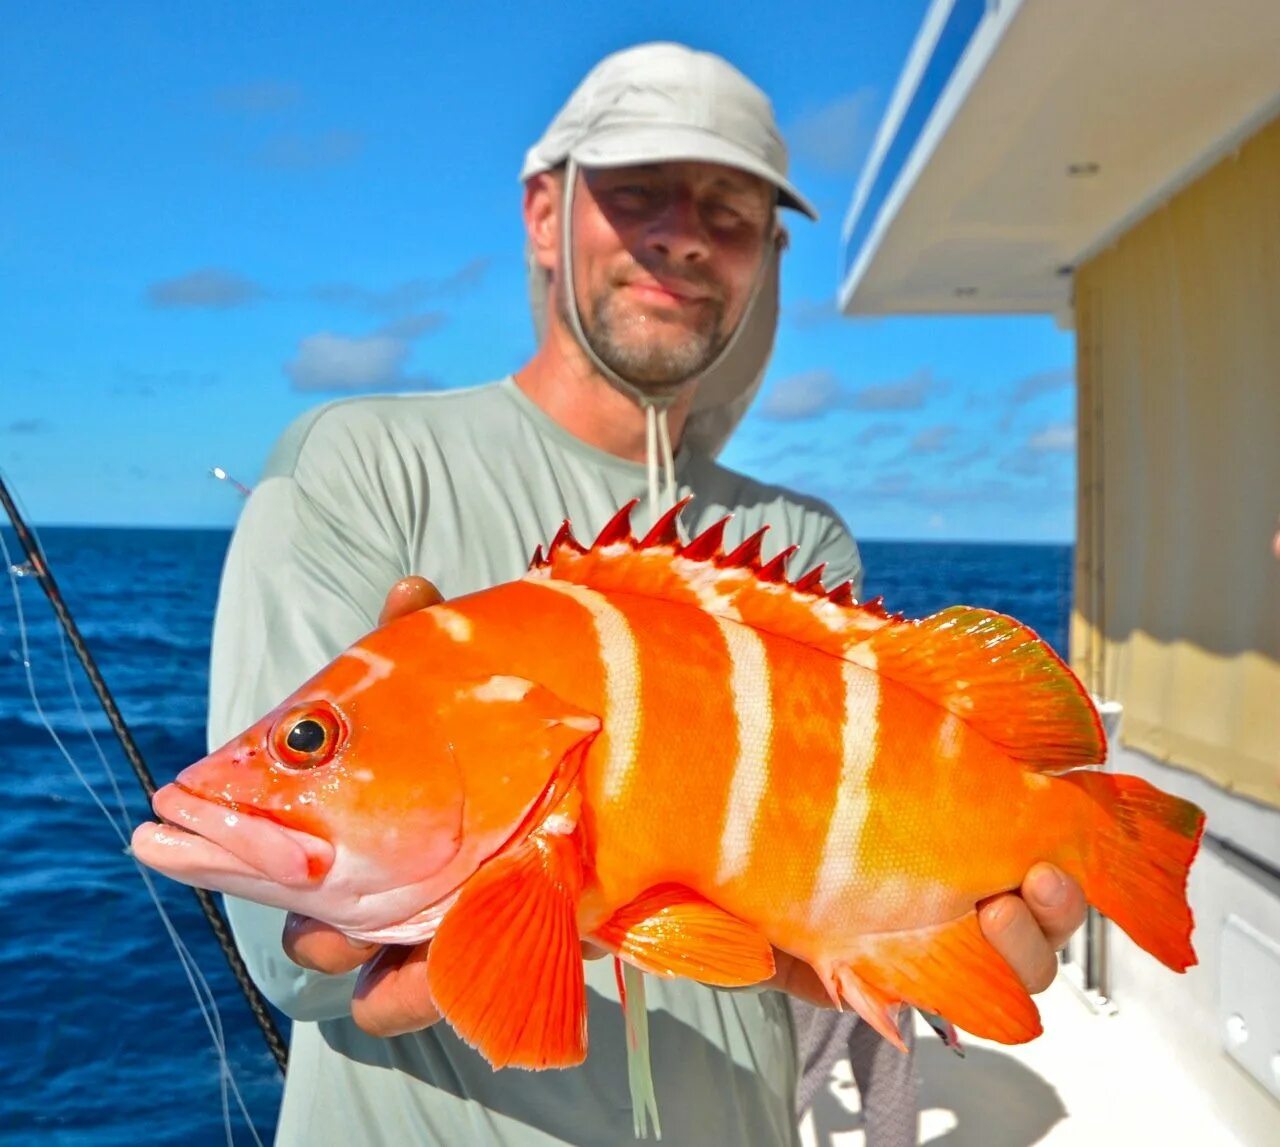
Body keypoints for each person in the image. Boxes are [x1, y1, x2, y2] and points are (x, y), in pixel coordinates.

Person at [208, 42, 1086, 1147]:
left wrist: (917, 931)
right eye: (635, 194)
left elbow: (817, 914)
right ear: (543, 212)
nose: (680, 233)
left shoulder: (799, 540)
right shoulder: (364, 467)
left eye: (728, 211)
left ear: (765, 257)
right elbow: (282, 940)